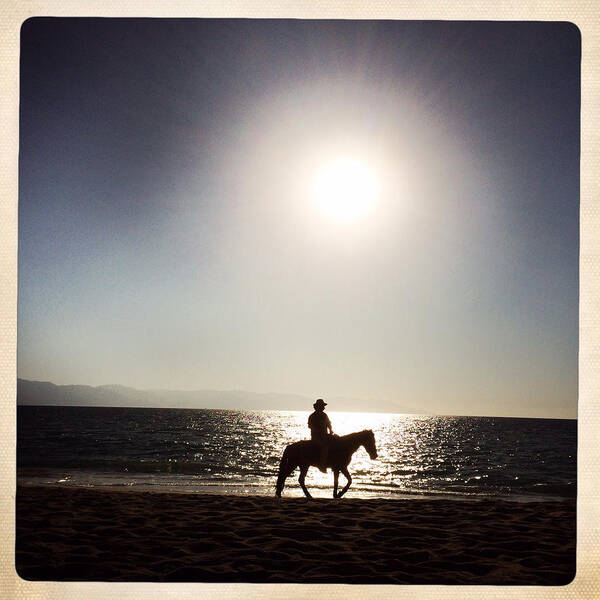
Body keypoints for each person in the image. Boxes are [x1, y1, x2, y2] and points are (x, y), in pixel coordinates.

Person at [308, 398, 333, 473]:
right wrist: (319, 431)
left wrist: (331, 430)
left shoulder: (325, 415)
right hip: (316, 437)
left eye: (323, 406)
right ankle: (322, 465)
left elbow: (329, 424)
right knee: (324, 447)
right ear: (318, 407)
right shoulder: (313, 416)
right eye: (322, 406)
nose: (323, 408)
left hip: (325, 436)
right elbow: (310, 426)